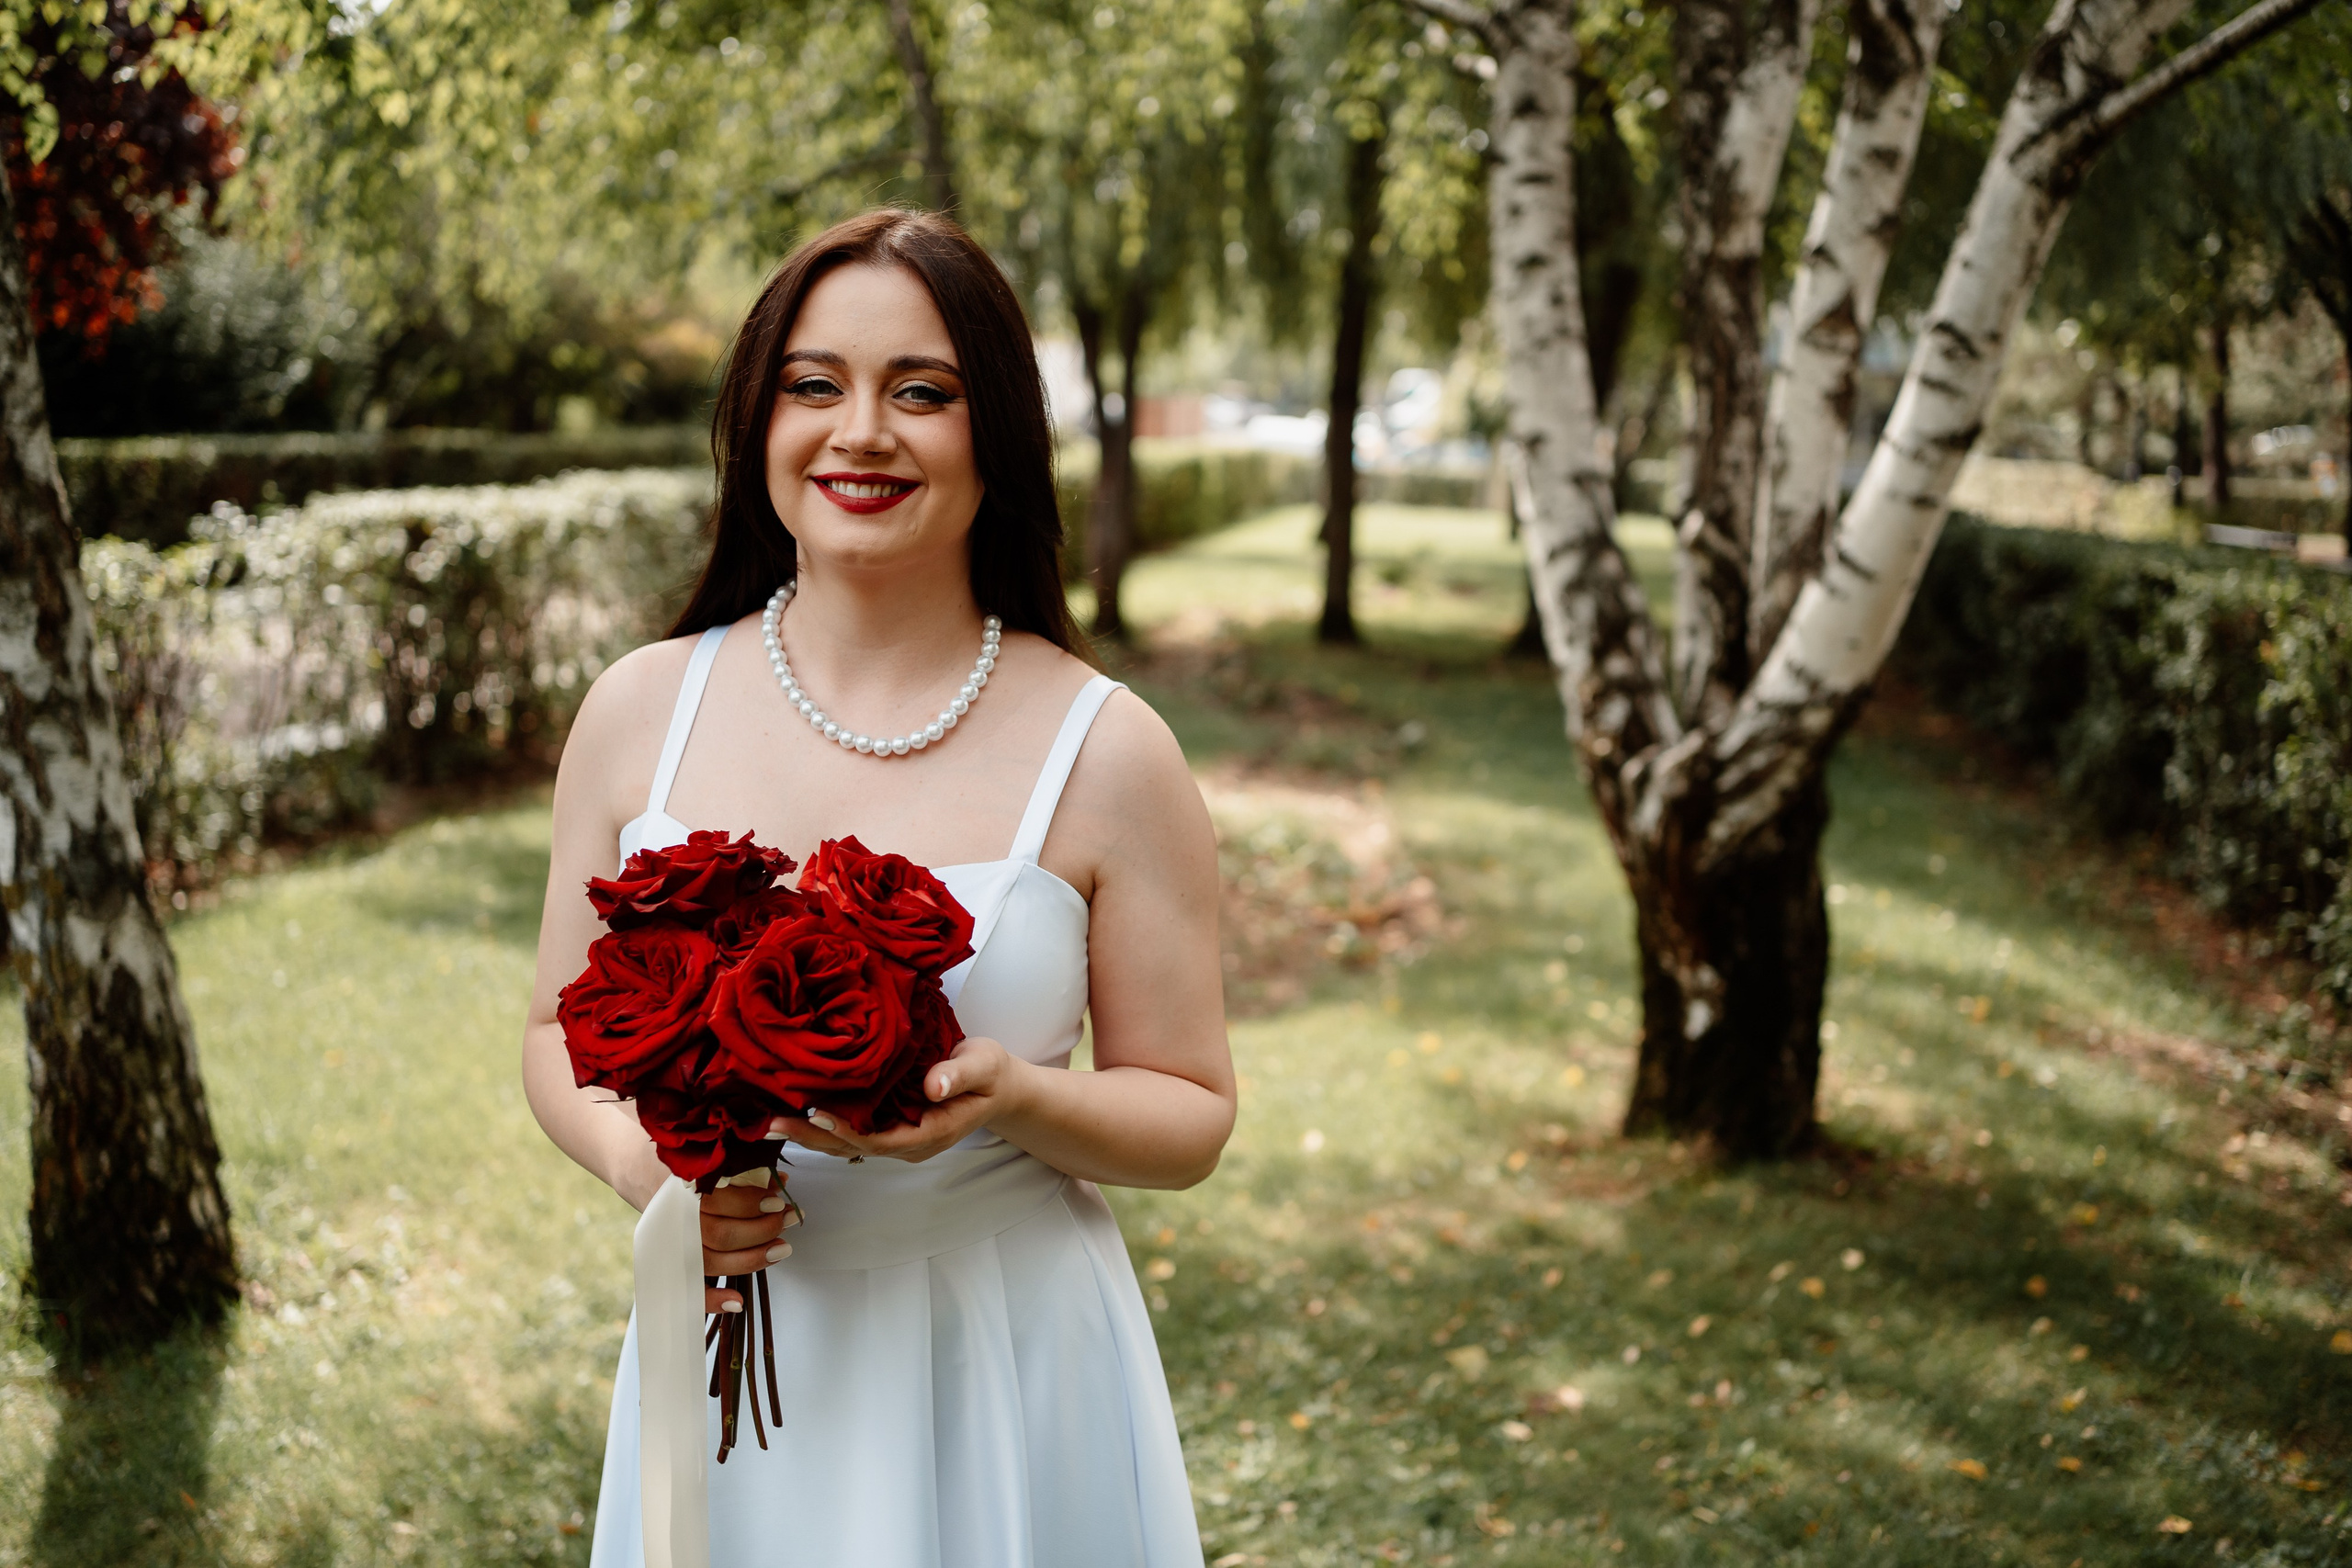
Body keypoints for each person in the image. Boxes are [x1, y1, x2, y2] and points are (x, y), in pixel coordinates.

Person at [520, 209, 1234, 1568]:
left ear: (997, 434)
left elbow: (1191, 1115)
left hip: (1008, 1356)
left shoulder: (1111, 748)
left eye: (923, 391)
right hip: (725, 1358)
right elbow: (557, 1033)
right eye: (813, 385)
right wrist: (653, 1175)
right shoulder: (637, 712)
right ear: (758, 420)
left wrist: (1016, 1099)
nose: (861, 432)